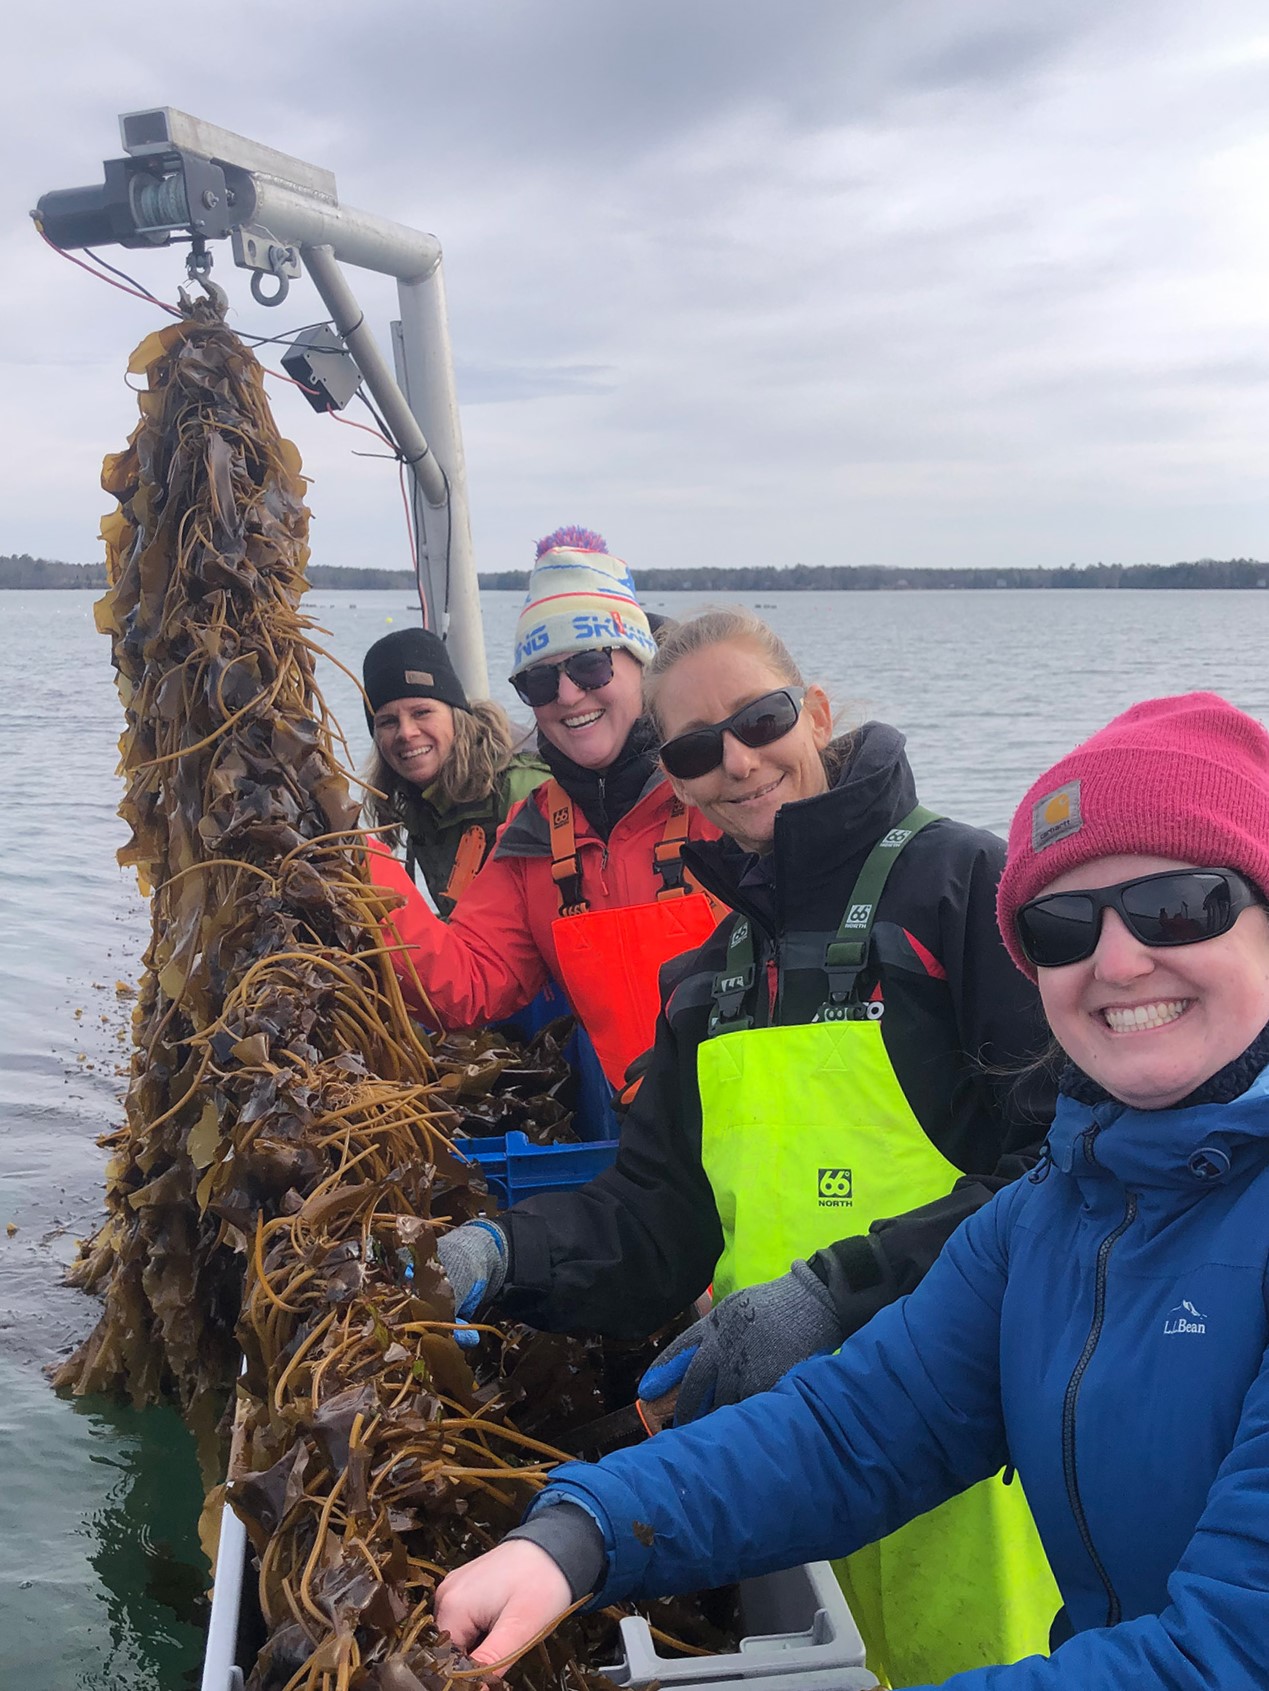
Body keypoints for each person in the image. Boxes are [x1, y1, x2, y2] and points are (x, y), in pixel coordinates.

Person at [436, 690, 1269, 1691]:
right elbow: (855, 1428)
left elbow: (1224, 1654)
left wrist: (831, 1286)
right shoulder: (1049, 1216)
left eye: (1179, 904)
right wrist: (578, 1534)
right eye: (1060, 924)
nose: (1120, 959)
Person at [367, 529, 723, 1090]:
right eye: (538, 680)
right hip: (649, 1144)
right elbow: (467, 983)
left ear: (641, 665)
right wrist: (354, 859)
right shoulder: (535, 832)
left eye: (589, 666)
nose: (567, 694)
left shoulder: (724, 788)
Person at [361, 626, 547, 919]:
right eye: (387, 722)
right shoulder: (422, 801)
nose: (406, 733)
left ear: (456, 715)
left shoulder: (522, 789)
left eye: (422, 712)